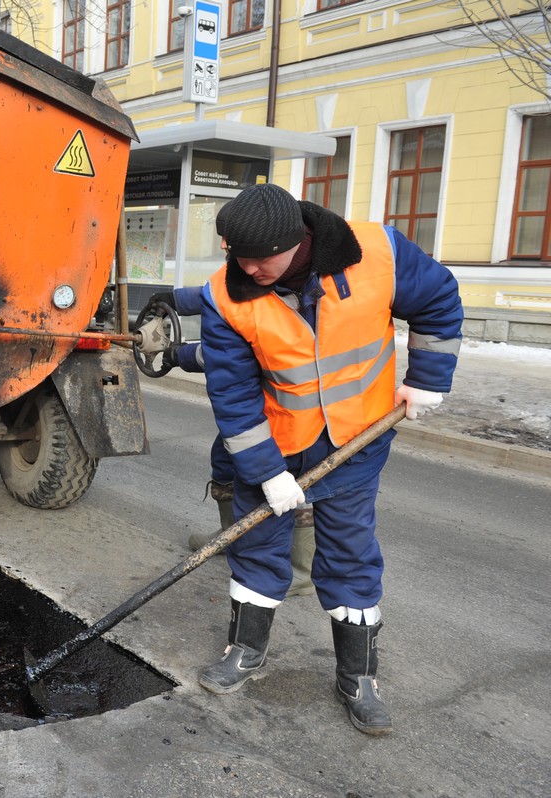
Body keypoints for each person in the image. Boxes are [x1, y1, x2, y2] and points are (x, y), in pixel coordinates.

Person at [195, 183, 461, 735]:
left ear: (300, 241)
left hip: (355, 444)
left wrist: (426, 381)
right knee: (257, 548)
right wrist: (268, 474)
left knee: (349, 555)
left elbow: (438, 300)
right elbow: (234, 397)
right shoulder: (224, 295)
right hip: (275, 445)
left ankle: (358, 677)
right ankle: (245, 649)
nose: (250, 267)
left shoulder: (379, 252)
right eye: (237, 254)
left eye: (262, 257)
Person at [143, 284, 316, 598]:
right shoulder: (254, 277)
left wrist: (173, 353)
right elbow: (223, 292)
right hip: (258, 406)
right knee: (224, 458)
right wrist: (172, 300)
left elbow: (218, 354)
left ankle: (301, 572)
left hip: (289, 413)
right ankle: (231, 533)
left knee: (295, 481)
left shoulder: (290, 302)